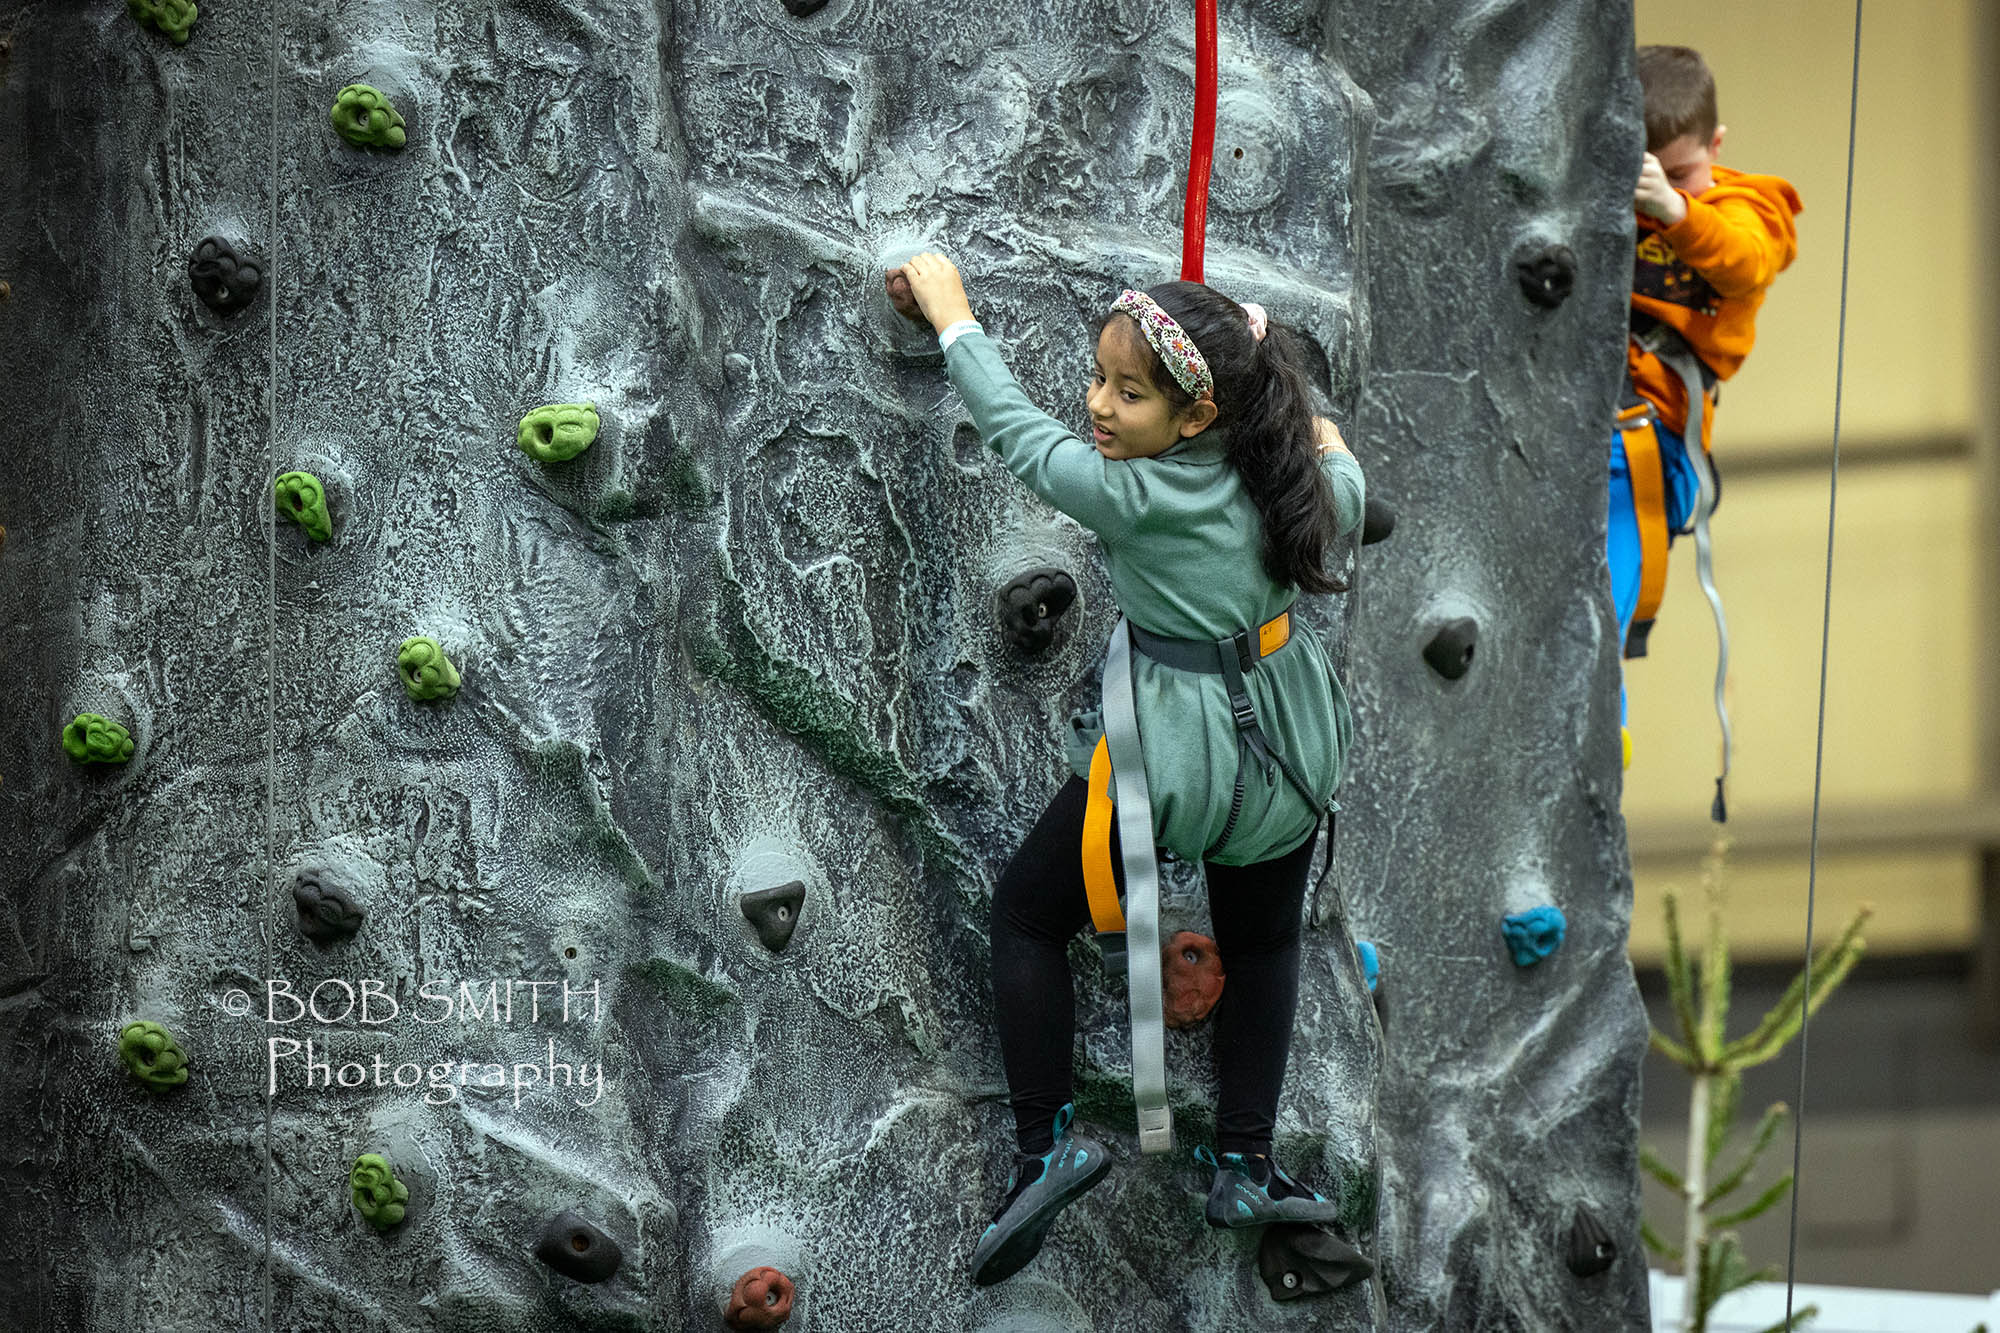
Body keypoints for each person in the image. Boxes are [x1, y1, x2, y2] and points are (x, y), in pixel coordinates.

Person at [890, 252, 1367, 1286]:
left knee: (1026, 913)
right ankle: (1244, 1159)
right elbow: (1344, 477)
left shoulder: (1132, 496)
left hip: (1171, 759)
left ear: (1194, 417)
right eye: (1099, 380)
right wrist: (1327, 435)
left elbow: (1020, 435)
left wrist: (953, 316)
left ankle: (1044, 1144)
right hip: (1286, 747)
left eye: (1129, 391)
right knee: (1264, 942)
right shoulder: (1291, 480)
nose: (1098, 405)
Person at [1610, 44, 1802, 765]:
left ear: (1715, 148)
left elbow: (1746, 260)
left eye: (1683, 168)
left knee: (1599, 587)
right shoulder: (1601, 198)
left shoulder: (1751, 205)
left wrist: (1676, 205)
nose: (1660, 186)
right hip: (1580, 428)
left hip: (1645, 442)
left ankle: (1602, 724)